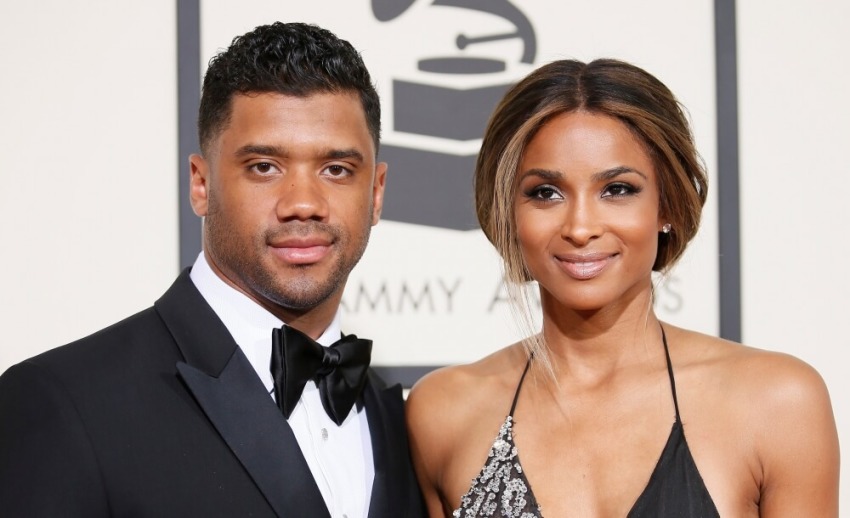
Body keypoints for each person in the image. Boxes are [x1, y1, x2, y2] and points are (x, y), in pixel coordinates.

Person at [0, 22, 424, 518]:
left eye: (337, 170)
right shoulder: (64, 403)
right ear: (200, 185)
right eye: (265, 166)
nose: (304, 204)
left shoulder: (401, 423)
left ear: (376, 193)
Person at [406, 58, 839, 517]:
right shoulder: (443, 411)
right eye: (545, 193)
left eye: (616, 189)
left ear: (667, 204)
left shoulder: (777, 402)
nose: (580, 226)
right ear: (508, 215)